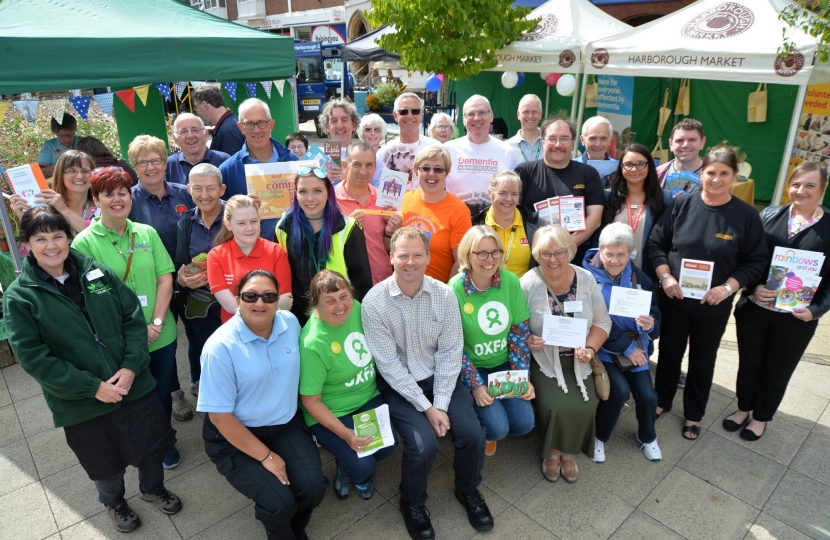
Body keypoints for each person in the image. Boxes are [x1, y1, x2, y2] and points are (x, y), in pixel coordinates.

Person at [4, 206, 181, 534]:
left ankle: (152, 488)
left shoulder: (96, 272)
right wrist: (93, 387)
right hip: (80, 402)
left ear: (68, 238)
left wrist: (130, 368)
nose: (52, 245)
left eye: (58, 235)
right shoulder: (20, 298)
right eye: (41, 238)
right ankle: (115, 503)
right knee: (103, 461)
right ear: (27, 243)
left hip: (134, 385)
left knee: (151, 445)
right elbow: (33, 357)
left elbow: (131, 317)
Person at [362, 227, 494, 539]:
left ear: (428, 257)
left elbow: (451, 352)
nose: (410, 262)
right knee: (423, 445)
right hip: (399, 385)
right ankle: (412, 501)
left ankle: (468, 489)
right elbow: (389, 366)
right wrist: (427, 409)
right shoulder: (373, 302)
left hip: (440, 379)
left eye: (417, 255)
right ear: (391, 257)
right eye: (403, 255)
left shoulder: (444, 295)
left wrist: (441, 404)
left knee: (473, 434)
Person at [646, 145, 768, 441]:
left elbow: (756, 261)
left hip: (713, 304)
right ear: (702, 173)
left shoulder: (746, 215)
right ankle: (662, 401)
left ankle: (693, 414)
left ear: (735, 176)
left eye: (723, 173)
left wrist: (728, 288)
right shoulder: (682, 204)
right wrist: (665, 277)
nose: (716, 179)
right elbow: (656, 244)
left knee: (703, 360)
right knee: (670, 354)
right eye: (711, 172)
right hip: (676, 299)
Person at [198, 269, 327, 540]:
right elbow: (221, 418)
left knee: (313, 489)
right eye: (251, 296)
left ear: (278, 299)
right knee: (278, 502)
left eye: (269, 296)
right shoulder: (219, 348)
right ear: (238, 299)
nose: (260, 303)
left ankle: (293, 529)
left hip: (285, 425)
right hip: (235, 435)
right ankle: (280, 531)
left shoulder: (290, 322)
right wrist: (266, 456)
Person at [72, 166, 183, 470]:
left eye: (123, 192)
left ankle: (164, 441)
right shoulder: (83, 244)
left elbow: (165, 279)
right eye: (109, 194)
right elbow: (91, 298)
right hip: (119, 339)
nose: (118, 199)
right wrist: (135, 332)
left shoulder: (146, 233)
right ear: (96, 198)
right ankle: (142, 443)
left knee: (161, 390)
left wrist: (157, 323)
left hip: (161, 333)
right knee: (133, 396)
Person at [727, 162, 830, 441]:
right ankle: (743, 407)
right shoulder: (769, 215)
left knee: (777, 369)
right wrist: (752, 287)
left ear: (823, 188)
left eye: (810, 185)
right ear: (788, 186)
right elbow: (749, 257)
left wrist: (816, 310)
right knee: (749, 363)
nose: (801, 190)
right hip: (756, 309)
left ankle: (761, 417)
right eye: (796, 184)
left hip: (797, 316)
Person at [520, 225, 612, 483]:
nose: (553, 259)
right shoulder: (528, 283)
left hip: (579, 358)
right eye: (546, 253)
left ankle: (567, 453)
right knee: (554, 406)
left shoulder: (585, 279)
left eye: (559, 252)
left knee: (585, 406)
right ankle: (552, 454)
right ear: (537, 255)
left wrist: (590, 348)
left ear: (570, 251)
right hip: (544, 359)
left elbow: (603, 323)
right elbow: (515, 328)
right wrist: (528, 339)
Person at [299, 270, 397, 500]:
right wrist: (345, 434)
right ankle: (353, 471)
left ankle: (347, 458)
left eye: (344, 296)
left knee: (387, 447)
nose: (340, 306)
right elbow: (311, 401)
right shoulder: (313, 343)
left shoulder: (357, 308)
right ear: (316, 305)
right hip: (333, 409)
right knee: (363, 467)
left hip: (367, 396)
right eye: (330, 301)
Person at [449, 225, 535, 457]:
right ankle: (484, 431)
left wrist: (522, 376)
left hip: (504, 366)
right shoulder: (454, 289)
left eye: (495, 252)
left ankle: (493, 417)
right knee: (498, 428)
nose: (490, 259)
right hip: (473, 369)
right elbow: (453, 346)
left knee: (524, 424)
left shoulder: (509, 281)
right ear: (468, 255)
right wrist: (476, 385)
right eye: (481, 253)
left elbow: (518, 332)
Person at [582, 223, 662, 462]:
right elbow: (592, 321)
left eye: (622, 254)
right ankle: (599, 437)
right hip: (604, 350)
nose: (615, 260)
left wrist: (651, 324)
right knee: (619, 391)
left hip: (635, 348)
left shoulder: (640, 278)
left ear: (630, 254)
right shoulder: (586, 279)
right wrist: (626, 348)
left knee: (648, 396)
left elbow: (655, 312)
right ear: (600, 251)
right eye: (609, 254)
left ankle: (647, 437)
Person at [275, 167, 373, 326]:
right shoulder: (283, 228)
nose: (310, 198)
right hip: (299, 320)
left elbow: (362, 282)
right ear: (296, 194)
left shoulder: (348, 228)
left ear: (328, 192)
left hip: (340, 316)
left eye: (317, 191)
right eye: (303, 192)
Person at [516, 115, 605, 266]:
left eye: (564, 138)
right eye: (552, 139)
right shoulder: (524, 171)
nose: (558, 144)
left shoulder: (588, 173)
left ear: (572, 143)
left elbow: (594, 219)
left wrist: (562, 248)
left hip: (571, 257)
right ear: (542, 142)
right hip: (530, 258)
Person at [175, 163, 226, 397]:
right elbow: (180, 262)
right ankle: (199, 382)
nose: (204, 195)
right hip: (198, 300)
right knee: (199, 344)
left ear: (222, 189)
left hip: (229, 300)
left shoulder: (233, 216)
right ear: (189, 189)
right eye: (198, 189)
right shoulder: (185, 222)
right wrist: (182, 281)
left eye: (211, 189)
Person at [218, 98, 298, 240]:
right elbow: (221, 216)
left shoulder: (292, 161)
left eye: (261, 122)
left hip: (291, 245)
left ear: (271, 125)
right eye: (249, 124)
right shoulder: (228, 169)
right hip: (251, 250)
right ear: (240, 127)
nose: (256, 129)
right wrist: (241, 207)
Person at [207, 195, 293, 324]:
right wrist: (269, 308)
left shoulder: (276, 252)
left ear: (259, 220)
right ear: (228, 225)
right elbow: (230, 306)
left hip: (272, 329)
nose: (250, 228)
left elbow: (286, 299)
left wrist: (249, 309)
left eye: (253, 221)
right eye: (241, 223)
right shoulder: (216, 256)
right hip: (235, 331)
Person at [401, 146, 472, 282]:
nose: (431, 174)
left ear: (446, 173)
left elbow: (461, 261)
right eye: (425, 168)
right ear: (416, 172)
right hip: (404, 286)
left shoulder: (459, 210)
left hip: (439, 291)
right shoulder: (405, 200)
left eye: (438, 169)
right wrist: (388, 231)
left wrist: (447, 292)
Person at [336, 142, 402, 284]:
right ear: (344, 165)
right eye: (357, 164)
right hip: (344, 285)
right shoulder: (330, 201)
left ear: (375, 168)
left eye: (369, 165)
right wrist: (347, 228)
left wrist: (391, 232)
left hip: (381, 281)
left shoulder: (385, 201)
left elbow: (392, 250)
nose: (363, 171)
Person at [601, 143, 671, 278]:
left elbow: (665, 242)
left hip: (647, 274)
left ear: (649, 166)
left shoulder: (664, 199)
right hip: (611, 273)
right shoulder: (608, 197)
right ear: (621, 168)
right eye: (628, 164)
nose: (634, 169)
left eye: (640, 164)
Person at [445, 95, 518, 216]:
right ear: (463, 119)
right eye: (471, 114)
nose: (476, 118)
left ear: (491, 116)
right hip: (455, 223)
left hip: (493, 225)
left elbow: (514, 193)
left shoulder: (507, 151)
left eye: (482, 113)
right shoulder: (448, 150)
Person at [127, 135, 195, 263]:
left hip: (192, 273)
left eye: (155, 160)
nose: (150, 167)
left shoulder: (186, 193)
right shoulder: (128, 200)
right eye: (142, 162)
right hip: (154, 277)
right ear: (135, 167)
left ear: (165, 163)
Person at [471, 170, 545, 278]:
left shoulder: (536, 224)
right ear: (490, 193)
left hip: (523, 292)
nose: (508, 199)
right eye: (502, 193)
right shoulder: (474, 224)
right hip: (485, 291)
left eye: (514, 194)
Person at [9, 150, 99, 235]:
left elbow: (99, 236)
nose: (80, 176)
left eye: (85, 171)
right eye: (71, 171)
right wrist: (22, 216)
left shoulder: (103, 207)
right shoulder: (48, 208)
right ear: (60, 175)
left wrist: (64, 210)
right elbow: (37, 243)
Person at [378, 93, 440, 189]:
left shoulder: (436, 148)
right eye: (404, 112)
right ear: (395, 115)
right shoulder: (383, 153)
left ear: (421, 114)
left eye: (415, 111)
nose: (409, 116)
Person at [318, 99, 383, 186]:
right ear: (327, 127)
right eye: (334, 121)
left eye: (344, 120)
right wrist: (322, 182)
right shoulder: (317, 160)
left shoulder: (368, 156)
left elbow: (379, 192)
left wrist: (350, 180)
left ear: (354, 125)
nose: (339, 125)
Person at [165, 113, 230, 185]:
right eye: (183, 132)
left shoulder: (225, 161)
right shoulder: (168, 166)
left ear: (205, 134)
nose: (190, 136)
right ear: (175, 139)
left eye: (195, 130)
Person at [192, 84, 246, 156]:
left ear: (205, 105)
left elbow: (231, 165)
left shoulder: (227, 131)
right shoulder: (230, 122)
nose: (197, 112)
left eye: (196, 107)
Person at [656, 118, 706, 187]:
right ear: (671, 144)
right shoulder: (656, 175)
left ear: (702, 142)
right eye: (679, 140)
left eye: (692, 140)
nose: (685, 145)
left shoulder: (717, 175)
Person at [38, 112, 81, 177]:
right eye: (61, 135)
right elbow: (41, 174)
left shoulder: (84, 142)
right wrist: (64, 163)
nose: (67, 139)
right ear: (55, 133)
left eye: (70, 134)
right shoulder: (49, 145)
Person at [507, 94, 543, 165]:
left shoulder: (550, 143)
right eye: (526, 112)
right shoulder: (507, 147)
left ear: (541, 114)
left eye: (534, 112)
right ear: (518, 114)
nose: (530, 116)